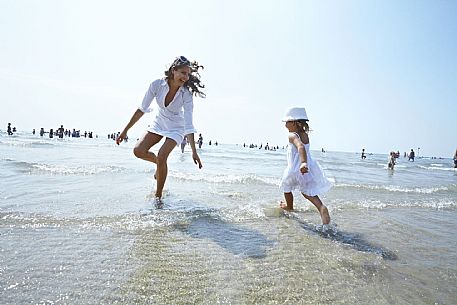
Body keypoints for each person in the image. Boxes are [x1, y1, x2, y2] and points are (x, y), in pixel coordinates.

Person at [116, 56, 205, 206]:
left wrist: (194, 151)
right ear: (173, 70)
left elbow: (189, 124)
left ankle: (158, 198)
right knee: (138, 151)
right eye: (183, 73)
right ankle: (160, 166)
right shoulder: (157, 85)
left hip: (177, 126)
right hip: (159, 122)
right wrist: (125, 130)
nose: (186, 77)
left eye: (188, 74)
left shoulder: (186, 94)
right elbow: (142, 109)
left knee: (162, 155)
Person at [279, 107, 332, 225]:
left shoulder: (292, 136)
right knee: (308, 193)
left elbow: (300, 147)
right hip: (307, 170)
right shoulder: (305, 135)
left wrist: (303, 162)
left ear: (294, 123)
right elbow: (304, 147)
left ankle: (289, 206)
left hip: (295, 169)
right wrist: (305, 163)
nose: (285, 125)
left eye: (287, 122)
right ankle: (321, 207)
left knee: (286, 187)